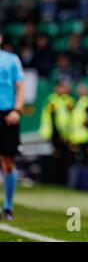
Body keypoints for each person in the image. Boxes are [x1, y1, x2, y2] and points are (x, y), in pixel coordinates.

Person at [0, 33, 25, 220]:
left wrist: (17, 110)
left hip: (7, 114)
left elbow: (20, 87)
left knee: (8, 162)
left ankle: (8, 206)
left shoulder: (11, 59)